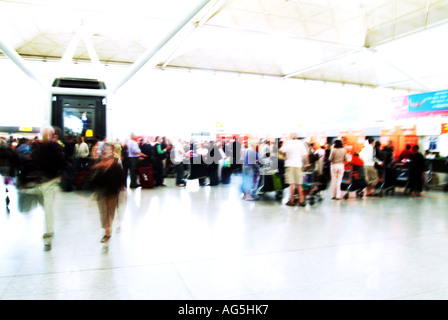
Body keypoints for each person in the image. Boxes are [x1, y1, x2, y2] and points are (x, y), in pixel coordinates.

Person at [25, 126, 65, 251]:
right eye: (44, 133)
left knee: (48, 207)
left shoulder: (56, 148)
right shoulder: (37, 147)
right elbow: (32, 163)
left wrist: (58, 175)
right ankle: (50, 228)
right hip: (39, 181)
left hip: (50, 181)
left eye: (48, 133)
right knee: (45, 207)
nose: (45, 135)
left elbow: (62, 162)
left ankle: (48, 233)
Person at [90, 143, 125, 243]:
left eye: (109, 150)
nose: (106, 152)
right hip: (101, 192)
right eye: (105, 150)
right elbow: (92, 178)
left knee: (110, 213)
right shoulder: (98, 163)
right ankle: (107, 231)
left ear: (113, 152)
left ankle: (108, 229)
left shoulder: (116, 164)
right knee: (103, 212)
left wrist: (122, 191)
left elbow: (121, 178)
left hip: (112, 193)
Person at [280, 133, 309, 206]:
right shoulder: (300, 143)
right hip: (298, 165)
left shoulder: (288, 142)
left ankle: (292, 201)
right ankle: (301, 201)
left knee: (292, 184)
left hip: (289, 165)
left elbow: (281, 151)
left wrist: (285, 157)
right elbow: (305, 154)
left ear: (291, 136)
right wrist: (307, 163)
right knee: (299, 184)